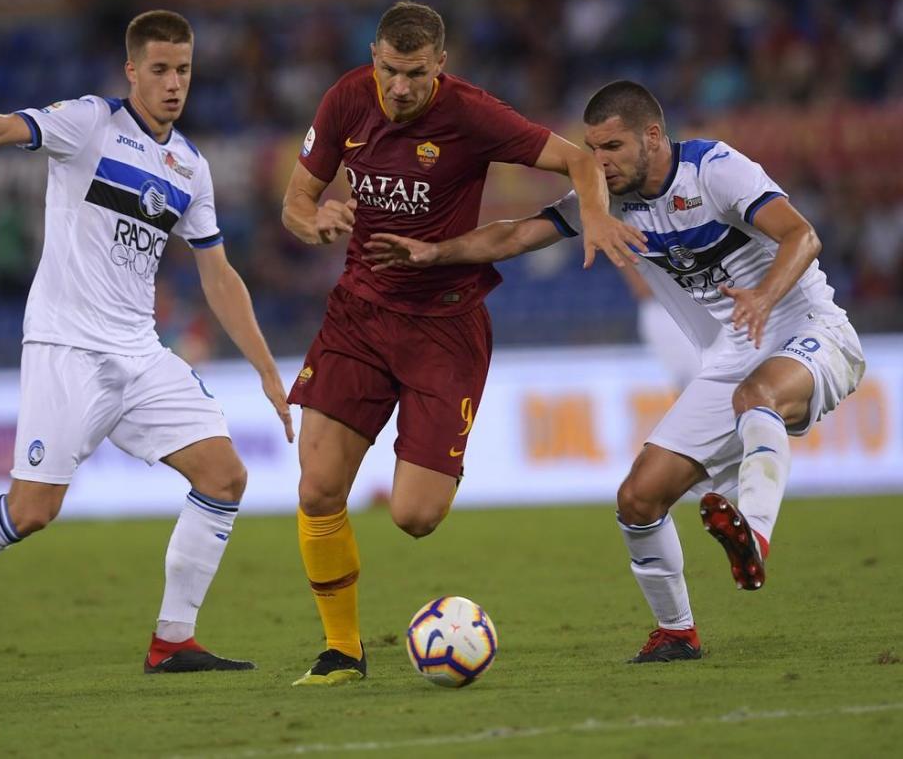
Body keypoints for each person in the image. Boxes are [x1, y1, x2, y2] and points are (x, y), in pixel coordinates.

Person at [364, 80, 865, 664]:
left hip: (813, 331)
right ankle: (676, 633)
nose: (598, 162)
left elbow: (803, 234)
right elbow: (517, 234)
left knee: (758, 397)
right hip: (734, 357)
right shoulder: (607, 200)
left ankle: (752, 534)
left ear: (652, 136)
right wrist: (435, 252)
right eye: (591, 149)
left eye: (612, 147)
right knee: (637, 499)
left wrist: (763, 296)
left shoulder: (715, 170)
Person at [0, 10, 294, 674]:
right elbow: (7, 126)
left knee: (225, 475)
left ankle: (173, 640)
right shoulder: (90, 123)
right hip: (66, 347)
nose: (174, 83)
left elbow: (218, 274)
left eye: (183, 70)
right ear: (132, 71)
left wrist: (264, 367)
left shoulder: (190, 166)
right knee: (32, 510)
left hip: (139, 353)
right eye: (160, 70)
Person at [280, 1, 645, 685]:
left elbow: (577, 159)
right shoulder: (345, 100)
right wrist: (315, 219)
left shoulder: (472, 114)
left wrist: (595, 217)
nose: (400, 88)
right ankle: (341, 651)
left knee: (416, 515)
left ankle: (437, 452)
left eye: (416, 74)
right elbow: (296, 202)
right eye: (390, 71)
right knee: (319, 488)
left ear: (440, 65)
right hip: (358, 315)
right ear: (374, 58)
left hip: (444, 326)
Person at [619, 263, 701, 390]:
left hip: (693, 301)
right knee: (689, 381)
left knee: (704, 375)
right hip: (662, 310)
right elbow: (642, 289)